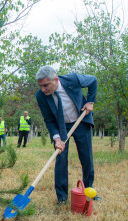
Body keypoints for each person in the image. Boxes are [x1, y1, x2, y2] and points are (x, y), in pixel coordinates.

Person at [35, 65, 102, 205]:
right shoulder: (41, 96)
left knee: (86, 158)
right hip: (61, 127)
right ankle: (62, 198)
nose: (43, 89)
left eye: (46, 85)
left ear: (56, 79)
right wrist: (57, 138)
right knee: (60, 159)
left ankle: (88, 190)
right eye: (40, 86)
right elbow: (49, 119)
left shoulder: (73, 79)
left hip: (80, 121)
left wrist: (90, 101)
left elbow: (93, 81)